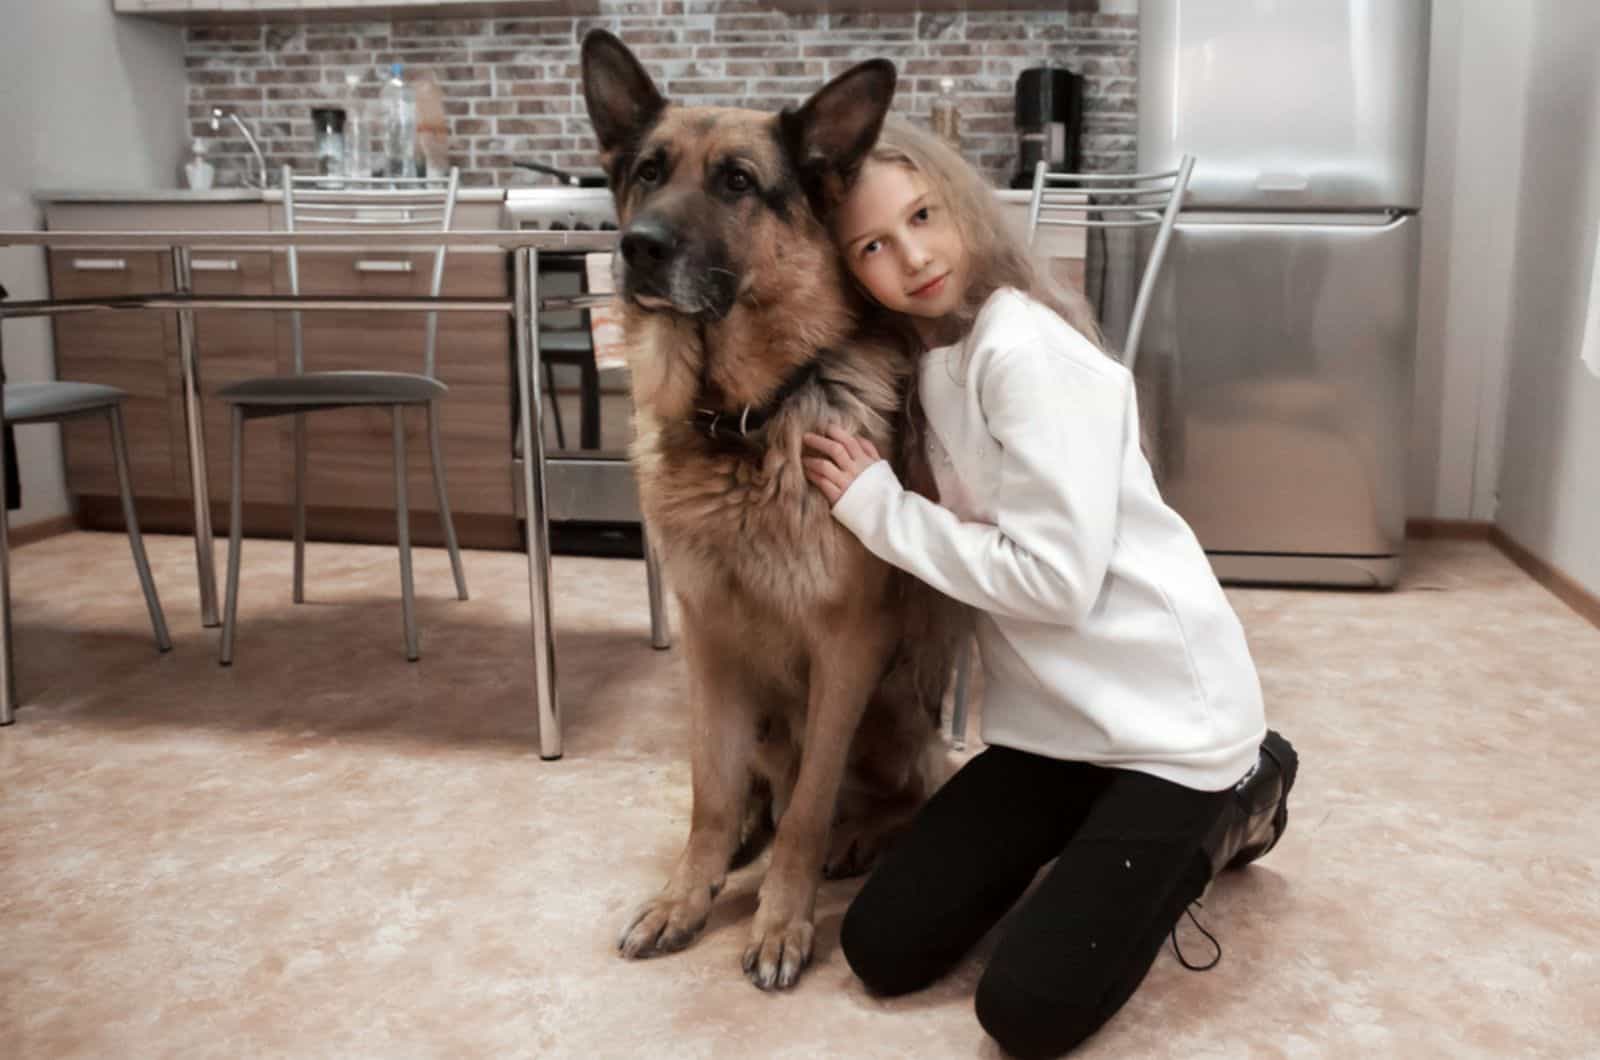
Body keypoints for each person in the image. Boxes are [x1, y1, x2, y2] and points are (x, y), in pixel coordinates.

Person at [800, 117, 1299, 1059]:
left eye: (923, 215)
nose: (911, 257)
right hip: (1055, 732)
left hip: (1169, 730)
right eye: (872, 244)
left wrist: (879, 508)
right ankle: (1100, 818)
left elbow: (1055, 584)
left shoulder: (1021, 350)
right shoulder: (930, 358)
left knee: (1026, 1012)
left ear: (965, 205)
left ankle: (1247, 789)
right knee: (881, 947)